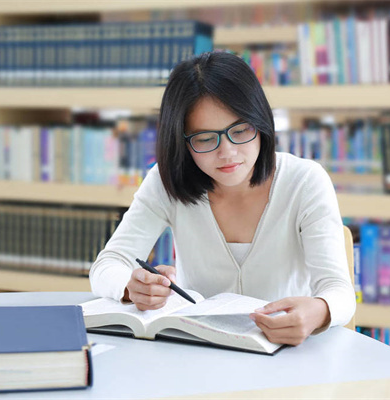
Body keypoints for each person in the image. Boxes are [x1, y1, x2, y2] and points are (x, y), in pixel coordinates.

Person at [90, 51, 355, 346]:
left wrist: (319, 311)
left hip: (285, 356)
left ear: (262, 124)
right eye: (205, 139)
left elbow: (338, 290)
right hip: (199, 354)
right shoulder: (166, 181)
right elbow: (107, 265)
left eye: (240, 130)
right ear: (181, 142)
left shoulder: (304, 181)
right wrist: (130, 285)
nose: (227, 152)